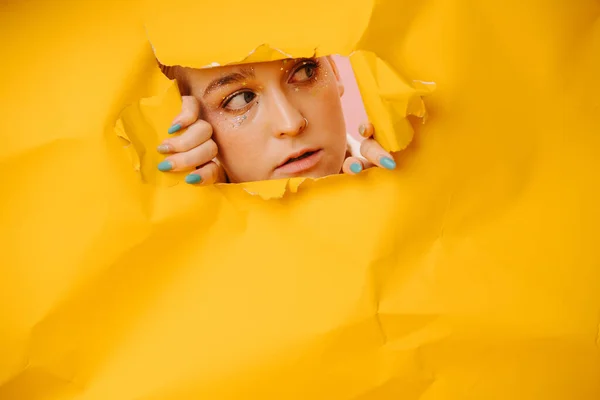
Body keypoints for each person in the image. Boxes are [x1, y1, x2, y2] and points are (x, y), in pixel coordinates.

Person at [155, 56, 397, 184]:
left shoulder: (395, 178)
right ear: (193, 121)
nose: (291, 124)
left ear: (334, 70)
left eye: (305, 71)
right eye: (240, 99)